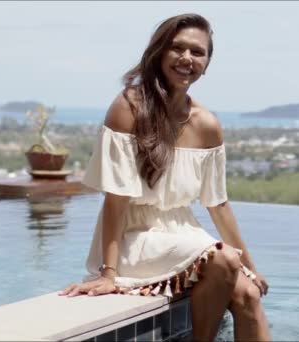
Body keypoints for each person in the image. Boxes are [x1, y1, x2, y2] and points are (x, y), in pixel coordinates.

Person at [59, 13, 271, 341]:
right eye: (177, 48)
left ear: (207, 63)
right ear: (159, 53)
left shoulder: (207, 124)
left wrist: (252, 268)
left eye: (198, 52)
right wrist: (108, 272)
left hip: (184, 233)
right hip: (136, 236)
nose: (187, 58)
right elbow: (116, 198)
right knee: (224, 258)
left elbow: (219, 204)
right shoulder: (129, 106)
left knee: (249, 295)